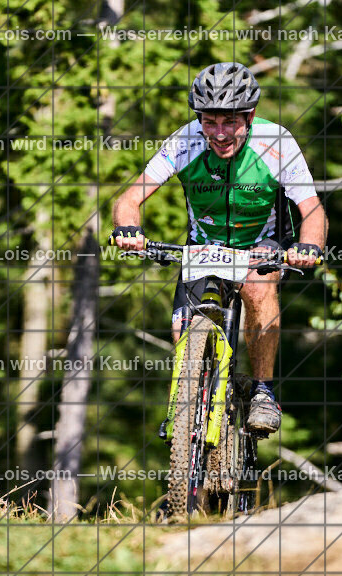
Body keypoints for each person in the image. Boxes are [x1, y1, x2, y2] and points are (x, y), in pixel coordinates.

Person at [110, 62, 328, 435]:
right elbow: (130, 197)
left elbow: (312, 210)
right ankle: (188, 410)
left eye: (230, 122)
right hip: (205, 245)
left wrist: (308, 245)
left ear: (250, 117)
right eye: (210, 122)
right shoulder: (185, 141)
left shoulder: (276, 143)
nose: (220, 133)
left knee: (258, 288)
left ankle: (262, 390)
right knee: (182, 329)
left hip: (262, 243)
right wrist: (127, 227)